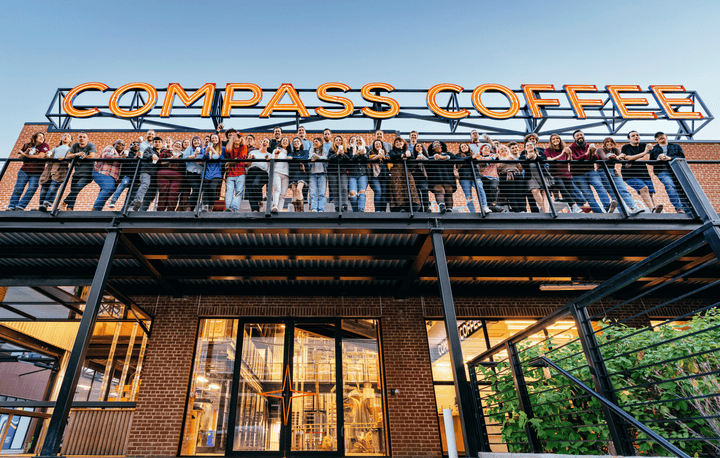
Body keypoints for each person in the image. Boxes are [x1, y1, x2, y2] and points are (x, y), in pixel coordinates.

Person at [566, 130, 614, 213]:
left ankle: (607, 206)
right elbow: (576, 160)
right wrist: (588, 152)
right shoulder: (571, 149)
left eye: (581, 135)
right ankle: (599, 213)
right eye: (577, 135)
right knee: (588, 195)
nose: (580, 136)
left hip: (591, 171)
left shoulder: (589, 146)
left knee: (599, 186)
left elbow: (596, 159)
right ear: (574, 138)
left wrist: (594, 153)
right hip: (578, 175)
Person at [596, 137, 644, 214]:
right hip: (603, 172)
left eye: (611, 141)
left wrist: (624, 161)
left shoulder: (615, 150)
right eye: (607, 142)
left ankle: (634, 208)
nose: (609, 143)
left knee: (623, 189)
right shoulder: (600, 150)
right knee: (613, 192)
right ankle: (623, 211)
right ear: (604, 144)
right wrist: (617, 157)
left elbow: (622, 160)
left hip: (613, 172)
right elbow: (604, 158)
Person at [8, 131, 50, 211]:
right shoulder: (27, 145)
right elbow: (20, 156)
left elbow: (40, 156)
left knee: (31, 189)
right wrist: (25, 153)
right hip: (24, 170)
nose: (42, 138)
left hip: (37, 172)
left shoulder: (44, 145)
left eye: (43, 137)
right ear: (35, 137)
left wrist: (25, 155)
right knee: (18, 189)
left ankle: (20, 207)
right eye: (39, 136)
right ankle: (11, 207)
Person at [649, 131, 690, 213]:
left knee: (681, 188)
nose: (660, 137)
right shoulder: (653, 149)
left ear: (666, 136)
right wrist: (656, 160)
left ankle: (687, 209)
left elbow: (682, 157)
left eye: (662, 135)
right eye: (658, 136)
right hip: (662, 171)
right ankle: (679, 208)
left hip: (676, 170)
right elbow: (649, 161)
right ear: (655, 139)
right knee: (669, 184)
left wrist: (670, 158)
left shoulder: (676, 146)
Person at [621, 131, 661, 212]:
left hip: (644, 173)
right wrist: (644, 152)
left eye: (637, 135)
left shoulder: (643, 145)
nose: (636, 137)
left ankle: (654, 211)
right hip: (630, 174)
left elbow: (645, 159)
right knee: (644, 188)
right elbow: (629, 158)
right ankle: (652, 209)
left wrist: (633, 160)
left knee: (650, 193)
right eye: (633, 136)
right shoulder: (625, 147)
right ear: (629, 139)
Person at [543, 134, 583, 213]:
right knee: (562, 188)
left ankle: (572, 210)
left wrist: (570, 154)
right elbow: (550, 160)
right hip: (555, 174)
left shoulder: (564, 149)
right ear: (551, 141)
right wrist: (562, 154)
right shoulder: (548, 150)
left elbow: (570, 161)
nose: (555, 140)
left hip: (566, 173)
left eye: (557, 138)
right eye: (553, 139)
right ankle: (574, 206)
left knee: (570, 192)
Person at [61, 132, 97, 211]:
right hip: (77, 173)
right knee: (74, 191)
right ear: (78, 138)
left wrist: (83, 157)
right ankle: (69, 209)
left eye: (84, 137)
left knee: (77, 188)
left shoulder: (91, 146)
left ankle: (64, 203)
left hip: (88, 174)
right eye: (80, 137)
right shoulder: (75, 146)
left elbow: (92, 156)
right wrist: (77, 154)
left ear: (87, 139)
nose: (82, 138)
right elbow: (68, 155)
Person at [38, 133, 73, 211]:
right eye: (64, 135)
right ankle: (41, 205)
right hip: (51, 167)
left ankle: (46, 204)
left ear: (70, 140)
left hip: (61, 168)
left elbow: (71, 159)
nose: (66, 137)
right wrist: (47, 155)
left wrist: (64, 158)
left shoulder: (70, 149)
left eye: (68, 136)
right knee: (44, 186)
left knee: (53, 186)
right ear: (61, 138)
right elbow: (49, 155)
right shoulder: (56, 148)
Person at [387, 137, 420, 212]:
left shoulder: (408, 151)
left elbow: (412, 162)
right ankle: (400, 206)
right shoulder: (392, 151)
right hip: (396, 172)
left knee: (410, 187)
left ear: (403, 143)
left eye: (400, 142)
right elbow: (392, 156)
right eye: (396, 142)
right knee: (397, 189)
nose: (398, 143)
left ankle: (411, 206)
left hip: (406, 172)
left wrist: (409, 156)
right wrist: (403, 155)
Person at [105, 140, 140, 210]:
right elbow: (124, 161)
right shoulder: (127, 153)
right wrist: (134, 158)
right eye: (134, 144)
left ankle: (124, 209)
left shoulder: (140, 156)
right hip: (127, 175)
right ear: (130, 146)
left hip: (135, 178)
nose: (136, 145)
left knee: (131, 195)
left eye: (137, 144)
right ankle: (113, 201)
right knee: (123, 184)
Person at [130, 136, 161, 211]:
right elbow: (145, 155)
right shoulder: (149, 149)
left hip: (155, 175)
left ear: (162, 144)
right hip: (146, 172)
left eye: (159, 142)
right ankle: (136, 201)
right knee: (145, 184)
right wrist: (152, 155)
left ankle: (140, 210)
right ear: (153, 143)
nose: (157, 143)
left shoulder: (163, 152)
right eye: (155, 142)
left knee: (150, 195)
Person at [456, 142, 488, 213]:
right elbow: (459, 160)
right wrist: (471, 158)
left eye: (465, 146)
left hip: (475, 176)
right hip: (464, 178)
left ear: (468, 147)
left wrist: (474, 157)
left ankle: (485, 207)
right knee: (468, 195)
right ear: (460, 149)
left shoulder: (473, 154)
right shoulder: (458, 155)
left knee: (480, 188)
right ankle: (472, 212)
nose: (464, 147)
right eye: (462, 146)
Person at [92, 140, 124, 211]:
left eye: (122, 145)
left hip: (112, 178)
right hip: (102, 173)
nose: (120, 146)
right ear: (114, 144)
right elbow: (105, 155)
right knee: (109, 188)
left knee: (105, 192)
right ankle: (95, 209)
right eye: (119, 144)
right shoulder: (111, 148)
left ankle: (97, 210)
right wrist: (120, 158)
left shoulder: (120, 156)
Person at [426, 141, 456, 213]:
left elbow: (454, 158)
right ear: (432, 148)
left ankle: (449, 210)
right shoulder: (429, 157)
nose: (437, 146)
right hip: (435, 177)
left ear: (442, 146)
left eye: (438, 145)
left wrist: (442, 157)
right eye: (435, 145)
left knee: (448, 191)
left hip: (447, 176)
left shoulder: (448, 154)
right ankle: (442, 206)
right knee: (439, 190)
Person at [156, 140, 185, 211]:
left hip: (177, 175)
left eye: (180, 144)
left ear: (181, 148)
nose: (178, 145)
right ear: (173, 145)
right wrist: (172, 158)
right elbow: (162, 162)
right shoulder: (166, 152)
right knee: (163, 192)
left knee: (173, 194)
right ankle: (160, 211)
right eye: (176, 144)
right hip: (164, 173)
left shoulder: (183, 155)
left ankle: (170, 211)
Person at [521, 140, 548, 212]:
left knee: (545, 193)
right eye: (527, 145)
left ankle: (546, 211)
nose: (529, 146)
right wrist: (528, 159)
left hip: (542, 175)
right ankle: (545, 210)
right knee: (535, 191)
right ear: (525, 148)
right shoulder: (523, 156)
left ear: (534, 146)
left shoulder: (540, 154)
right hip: (531, 177)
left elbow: (544, 162)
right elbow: (523, 166)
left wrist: (536, 157)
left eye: (531, 145)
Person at [497, 144, 526, 212]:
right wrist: (506, 161)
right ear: (499, 152)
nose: (504, 150)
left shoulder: (512, 157)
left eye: (505, 149)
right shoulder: (498, 158)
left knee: (520, 193)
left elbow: (521, 169)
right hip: (506, 176)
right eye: (502, 149)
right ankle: (517, 211)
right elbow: (497, 169)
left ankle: (523, 211)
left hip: (517, 176)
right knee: (512, 194)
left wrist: (516, 161)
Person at [199, 134, 224, 211]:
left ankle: (211, 205)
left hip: (216, 172)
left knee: (212, 188)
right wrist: (206, 152)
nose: (214, 139)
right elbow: (203, 158)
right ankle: (205, 206)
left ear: (218, 139)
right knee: (206, 189)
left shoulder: (222, 148)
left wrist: (213, 150)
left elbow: (219, 158)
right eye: (212, 138)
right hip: (207, 172)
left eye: (215, 138)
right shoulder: (206, 148)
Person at [224, 132, 247, 212]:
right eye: (236, 137)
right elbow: (228, 152)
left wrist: (229, 163)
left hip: (241, 173)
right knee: (229, 192)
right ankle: (227, 208)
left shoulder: (244, 147)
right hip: (230, 174)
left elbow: (239, 159)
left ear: (241, 139)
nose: (237, 139)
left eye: (239, 137)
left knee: (239, 192)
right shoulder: (229, 147)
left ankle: (234, 208)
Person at [474, 142, 500, 212]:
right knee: (485, 192)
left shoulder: (493, 155)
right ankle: (488, 206)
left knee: (493, 187)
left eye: (488, 148)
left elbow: (497, 160)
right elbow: (482, 163)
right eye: (485, 148)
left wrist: (493, 157)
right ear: (481, 150)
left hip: (494, 176)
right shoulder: (479, 156)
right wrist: (492, 158)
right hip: (483, 177)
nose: (487, 149)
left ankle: (493, 204)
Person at [180, 136, 204, 211]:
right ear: (192, 142)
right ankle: (188, 205)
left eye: (198, 140)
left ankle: (191, 208)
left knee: (199, 190)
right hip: (191, 172)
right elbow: (184, 157)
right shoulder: (190, 148)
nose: (196, 142)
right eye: (194, 141)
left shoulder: (203, 150)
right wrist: (194, 156)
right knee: (197, 189)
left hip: (200, 174)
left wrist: (200, 162)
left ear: (200, 142)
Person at [327, 135, 351, 212]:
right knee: (335, 190)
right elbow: (329, 159)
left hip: (343, 171)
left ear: (342, 141)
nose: (338, 141)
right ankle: (337, 206)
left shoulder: (347, 150)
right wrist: (337, 153)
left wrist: (343, 154)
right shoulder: (331, 150)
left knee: (344, 188)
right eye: (336, 140)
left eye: (339, 140)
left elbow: (349, 160)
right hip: (332, 172)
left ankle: (344, 206)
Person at [246, 138, 270, 212]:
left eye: (267, 142)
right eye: (263, 141)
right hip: (251, 171)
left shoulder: (269, 155)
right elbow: (247, 164)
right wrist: (250, 159)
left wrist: (269, 160)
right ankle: (255, 210)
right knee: (250, 191)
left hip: (262, 172)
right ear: (261, 143)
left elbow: (270, 167)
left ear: (268, 145)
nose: (265, 142)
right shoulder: (253, 152)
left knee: (256, 185)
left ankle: (260, 200)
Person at [348, 136, 369, 212]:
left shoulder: (366, 148)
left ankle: (361, 209)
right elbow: (350, 160)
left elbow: (367, 159)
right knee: (352, 193)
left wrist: (363, 154)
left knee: (362, 191)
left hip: (363, 173)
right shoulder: (350, 150)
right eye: (357, 140)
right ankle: (355, 211)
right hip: (352, 174)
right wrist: (356, 154)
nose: (358, 141)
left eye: (360, 140)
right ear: (354, 142)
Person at [368, 140, 390, 212]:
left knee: (384, 193)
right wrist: (378, 156)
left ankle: (383, 210)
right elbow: (369, 159)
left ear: (382, 145)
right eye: (376, 144)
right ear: (374, 146)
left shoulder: (386, 155)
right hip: (375, 176)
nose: (378, 145)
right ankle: (377, 210)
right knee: (378, 191)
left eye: (379, 144)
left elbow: (390, 162)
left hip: (384, 176)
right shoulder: (371, 153)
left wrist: (383, 157)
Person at [270, 137, 290, 212]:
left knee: (283, 194)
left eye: (286, 140)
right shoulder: (276, 150)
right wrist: (276, 155)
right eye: (283, 140)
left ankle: (280, 210)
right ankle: (275, 206)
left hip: (286, 174)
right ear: (281, 142)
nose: (285, 141)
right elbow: (272, 161)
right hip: (277, 172)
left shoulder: (290, 152)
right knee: (277, 189)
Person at [289, 137, 309, 212]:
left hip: (302, 174)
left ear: (301, 143)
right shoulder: (291, 153)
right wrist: (297, 159)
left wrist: (293, 159)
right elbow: (289, 160)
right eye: (294, 142)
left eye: (298, 141)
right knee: (294, 192)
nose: (296, 143)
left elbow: (305, 158)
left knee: (299, 189)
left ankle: (301, 210)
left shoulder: (305, 151)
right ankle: (296, 211)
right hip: (293, 174)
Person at [308, 138, 328, 212]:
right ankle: (313, 208)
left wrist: (319, 157)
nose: (314, 143)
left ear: (320, 143)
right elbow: (309, 159)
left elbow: (326, 158)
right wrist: (312, 159)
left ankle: (321, 209)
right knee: (313, 192)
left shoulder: (324, 150)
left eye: (316, 141)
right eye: (313, 141)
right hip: (313, 173)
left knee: (322, 193)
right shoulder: (311, 150)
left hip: (322, 173)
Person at [411, 142, 431, 212]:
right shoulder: (412, 156)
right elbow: (410, 166)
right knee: (417, 193)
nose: (419, 147)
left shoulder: (425, 156)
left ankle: (426, 207)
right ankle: (420, 209)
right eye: (417, 146)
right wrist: (416, 160)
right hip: (415, 176)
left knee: (424, 191)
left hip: (423, 176)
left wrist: (421, 156)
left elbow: (428, 162)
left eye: (420, 146)